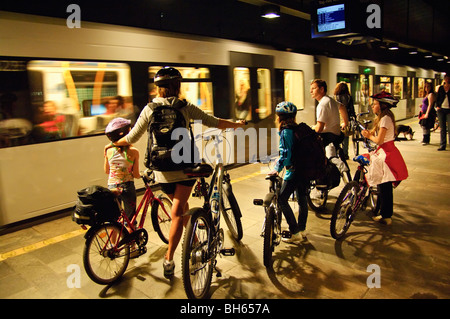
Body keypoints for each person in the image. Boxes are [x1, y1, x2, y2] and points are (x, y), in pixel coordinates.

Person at [104, 67, 245, 278]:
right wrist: (236, 125)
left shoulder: (149, 109)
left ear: (158, 88)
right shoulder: (185, 107)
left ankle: (193, 241)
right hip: (184, 167)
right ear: (177, 87)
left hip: (161, 169)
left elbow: (132, 137)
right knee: (178, 213)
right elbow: (213, 121)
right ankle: (169, 259)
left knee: (181, 208)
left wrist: (114, 144)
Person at [361, 91, 408, 225]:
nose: (373, 106)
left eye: (375, 104)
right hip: (386, 152)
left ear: (382, 106)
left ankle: (386, 216)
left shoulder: (385, 119)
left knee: (384, 186)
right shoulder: (385, 118)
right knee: (383, 186)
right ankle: (383, 213)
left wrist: (368, 135)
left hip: (386, 155)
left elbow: (380, 140)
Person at [268, 101, 309, 243]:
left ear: (280, 118)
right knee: (302, 200)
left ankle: (295, 232)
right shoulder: (297, 129)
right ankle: (302, 230)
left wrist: (276, 169)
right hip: (305, 170)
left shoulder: (286, 132)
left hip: (294, 172)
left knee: (282, 199)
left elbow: (286, 156)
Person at [104, 117, 140, 229]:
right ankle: (132, 244)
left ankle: (113, 244)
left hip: (112, 187)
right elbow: (136, 174)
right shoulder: (134, 152)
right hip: (127, 186)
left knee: (114, 219)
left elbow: (106, 171)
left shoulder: (108, 151)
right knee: (130, 219)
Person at [334, 82, 356, 158]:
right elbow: (352, 109)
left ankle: (337, 152)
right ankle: (345, 153)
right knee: (345, 136)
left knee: (337, 134)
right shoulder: (349, 97)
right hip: (347, 118)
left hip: (338, 118)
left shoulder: (336, 97)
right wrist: (354, 117)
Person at [418, 81, 436, 145]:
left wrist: (427, 114)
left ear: (431, 87)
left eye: (428, 87)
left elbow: (430, 105)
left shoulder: (431, 94)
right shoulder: (426, 94)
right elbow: (426, 104)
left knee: (426, 126)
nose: (426, 88)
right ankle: (424, 139)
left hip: (429, 112)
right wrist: (422, 106)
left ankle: (426, 140)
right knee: (422, 125)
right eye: (425, 87)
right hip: (424, 111)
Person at [436, 74, 450, 151]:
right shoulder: (441, 88)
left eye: (448, 78)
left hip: (449, 110)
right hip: (441, 109)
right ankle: (443, 145)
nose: (447, 80)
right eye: (446, 78)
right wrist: (437, 106)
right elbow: (438, 97)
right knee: (442, 128)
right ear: (444, 79)